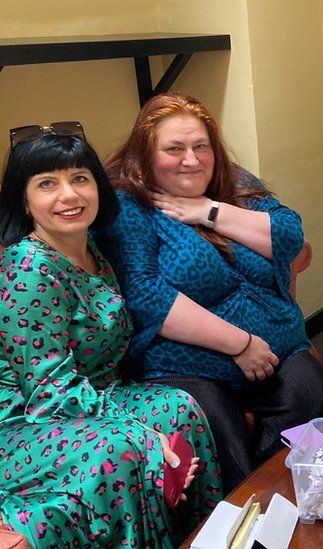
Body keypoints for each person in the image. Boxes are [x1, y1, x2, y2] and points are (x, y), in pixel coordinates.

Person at [95, 93, 323, 491]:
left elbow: (289, 235)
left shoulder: (232, 181)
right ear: (145, 155)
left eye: (200, 146)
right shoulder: (130, 205)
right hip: (190, 367)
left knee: (314, 387)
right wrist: (240, 345)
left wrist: (209, 210)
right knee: (217, 429)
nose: (191, 159)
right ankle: (246, 514)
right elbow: (145, 295)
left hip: (282, 348)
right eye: (174, 149)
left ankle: (292, 498)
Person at [0, 124, 222, 547]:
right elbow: (49, 393)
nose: (69, 195)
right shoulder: (29, 270)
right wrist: (142, 433)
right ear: (25, 202)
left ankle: (202, 539)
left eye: (79, 178)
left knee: (180, 409)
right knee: (125, 445)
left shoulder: (87, 248)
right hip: (24, 419)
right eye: (47, 184)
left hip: (92, 395)